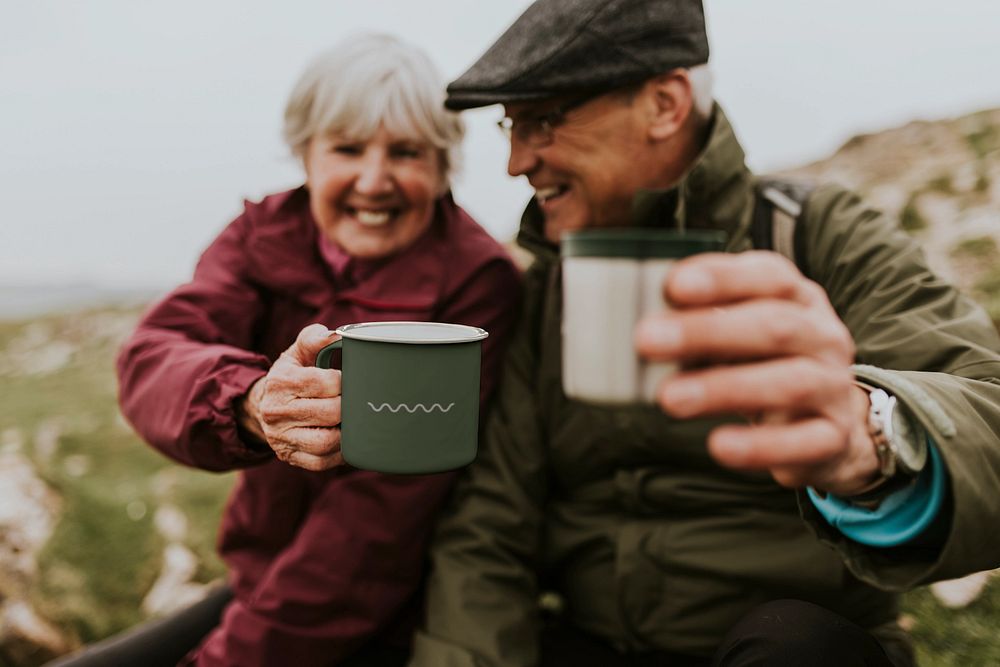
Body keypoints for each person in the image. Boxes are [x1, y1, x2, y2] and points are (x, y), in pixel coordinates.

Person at [409, 1, 1000, 666]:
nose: (517, 161)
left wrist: (875, 437)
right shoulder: (545, 286)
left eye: (543, 121)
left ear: (665, 104)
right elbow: (490, 530)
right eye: (508, 127)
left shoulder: (816, 234)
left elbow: (988, 414)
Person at [116, 33, 520, 666]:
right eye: (348, 148)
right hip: (260, 583)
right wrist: (250, 402)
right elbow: (155, 356)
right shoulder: (262, 236)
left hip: (390, 616)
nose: (374, 180)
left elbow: (374, 532)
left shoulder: (476, 285)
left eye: (407, 152)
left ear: (444, 166)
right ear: (305, 154)